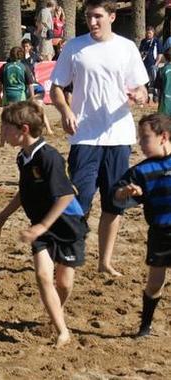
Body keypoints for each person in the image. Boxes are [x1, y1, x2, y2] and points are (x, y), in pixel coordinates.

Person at [50, 0, 148, 276]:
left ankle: (105, 262)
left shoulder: (126, 47)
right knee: (79, 200)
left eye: (97, 17)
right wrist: (65, 109)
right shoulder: (74, 47)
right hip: (84, 137)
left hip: (119, 136)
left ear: (112, 17)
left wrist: (140, 94)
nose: (92, 22)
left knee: (114, 202)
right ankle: (70, 255)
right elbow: (57, 87)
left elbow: (140, 87)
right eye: (88, 17)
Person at [0, 101, 87, 348]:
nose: (3, 133)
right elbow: (23, 192)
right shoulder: (23, 157)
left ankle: (55, 312)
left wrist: (42, 226)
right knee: (43, 275)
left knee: (63, 283)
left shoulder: (49, 157)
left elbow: (65, 196)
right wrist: (3, 216)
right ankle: (62, 330)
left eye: (6, 128)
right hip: (40, 227)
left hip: (68, 224)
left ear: (23, 129)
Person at [112, 114, 171, 337]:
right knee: (155, 283)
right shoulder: (140, 171)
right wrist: (126, 192)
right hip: (160, 233)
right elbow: (115, 195)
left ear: (163, 137)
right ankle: (145, 326)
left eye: (145, 138)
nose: (140, 143)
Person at [140, 27, 162, 104]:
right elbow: (141, 52)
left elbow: (160, 53)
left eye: (150, 33)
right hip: (144, 65)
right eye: (147, 33)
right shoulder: (143, 41)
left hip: (153, 65)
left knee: (154, 81)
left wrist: (156, 64)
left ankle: (156, 96)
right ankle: (146, 97)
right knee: (144, 81)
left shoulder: (156, 41)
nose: (148, 34)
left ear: (153, 33)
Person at [155, 48, 171, 116]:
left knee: (164, 122)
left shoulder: (162, 70)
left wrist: (157, 97)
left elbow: (157, 88)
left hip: (165, 101)